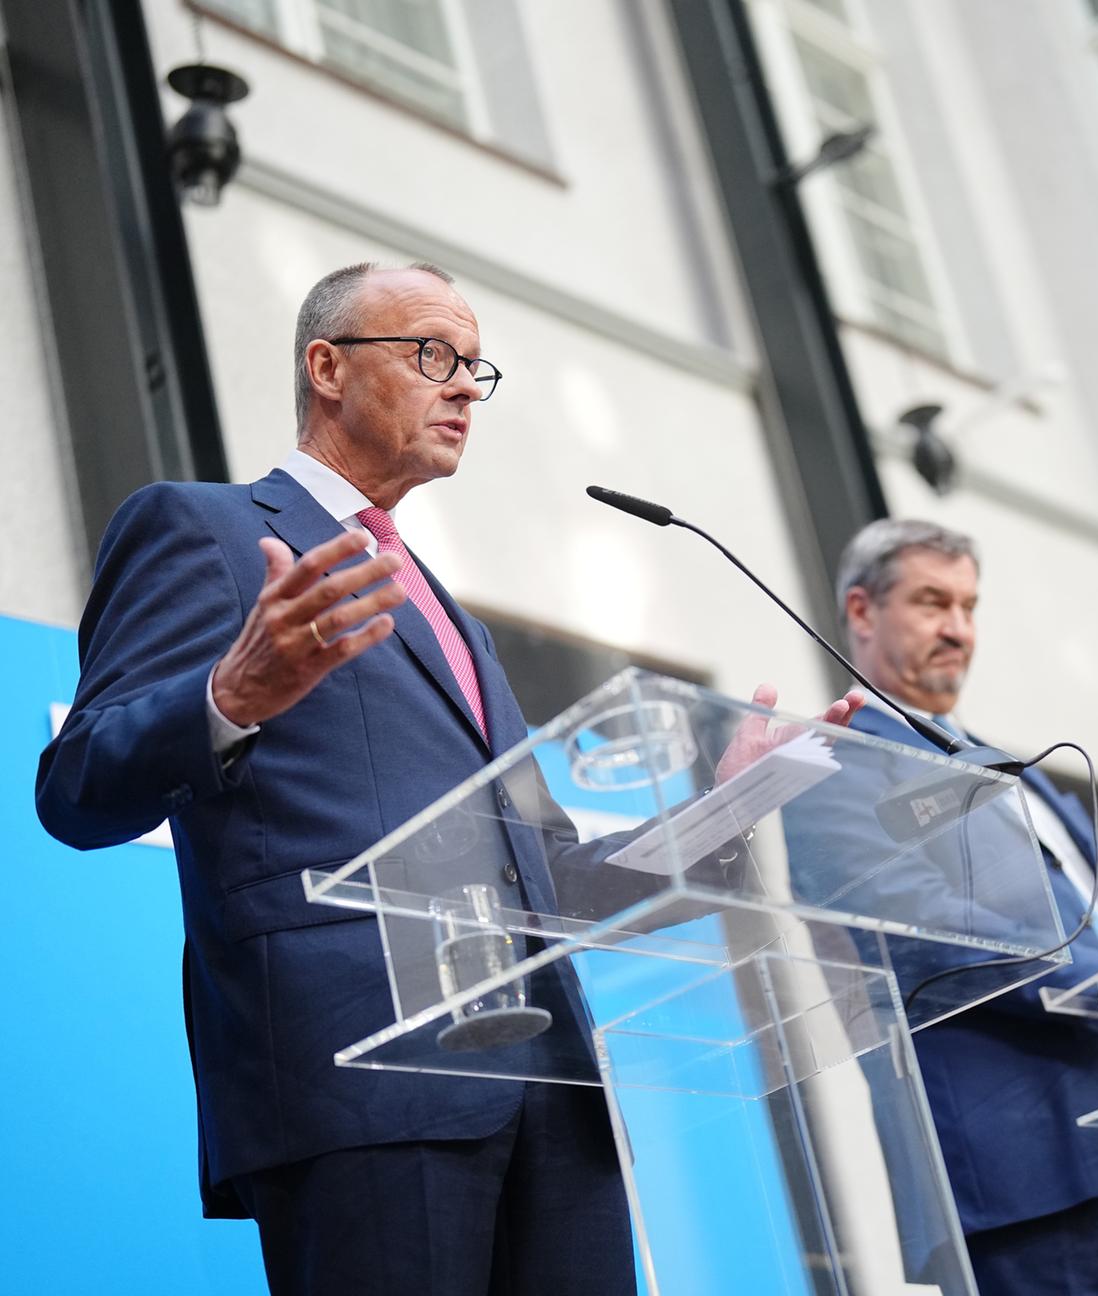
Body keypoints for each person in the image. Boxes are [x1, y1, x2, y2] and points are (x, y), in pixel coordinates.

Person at [35, 261, 862, 1296]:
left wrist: (728, 809)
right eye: (433, 354)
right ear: (327, 368)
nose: (465, 386)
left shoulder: (453, 621)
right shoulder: (203, 531)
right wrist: (233, 693)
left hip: (552, 1097)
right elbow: (76, 787)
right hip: (364, 1081)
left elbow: (549, 879)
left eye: (477, 367)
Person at [829, 518, 1098, 1295]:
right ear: (863, 612)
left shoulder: (1017, 767)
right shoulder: (836, 761)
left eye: (971, 607)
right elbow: (929, 937)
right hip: (1024, 1172)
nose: (959, 629)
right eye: (933, 602)